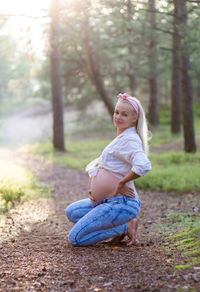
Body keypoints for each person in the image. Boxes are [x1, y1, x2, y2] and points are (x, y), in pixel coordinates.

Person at [65, 93, 152, 246]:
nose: (118, 117)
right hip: (106, 201)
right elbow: (107, 166)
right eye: (117, 112)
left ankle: (124, 227)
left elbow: (143, 165)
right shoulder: (122, 137)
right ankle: (118, 223)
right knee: (72, 212)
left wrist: (122, 183)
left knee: (75, 238)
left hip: (121, 203)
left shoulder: (130, 139)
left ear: (134, 118)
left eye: (124, 114)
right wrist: (97, 190)